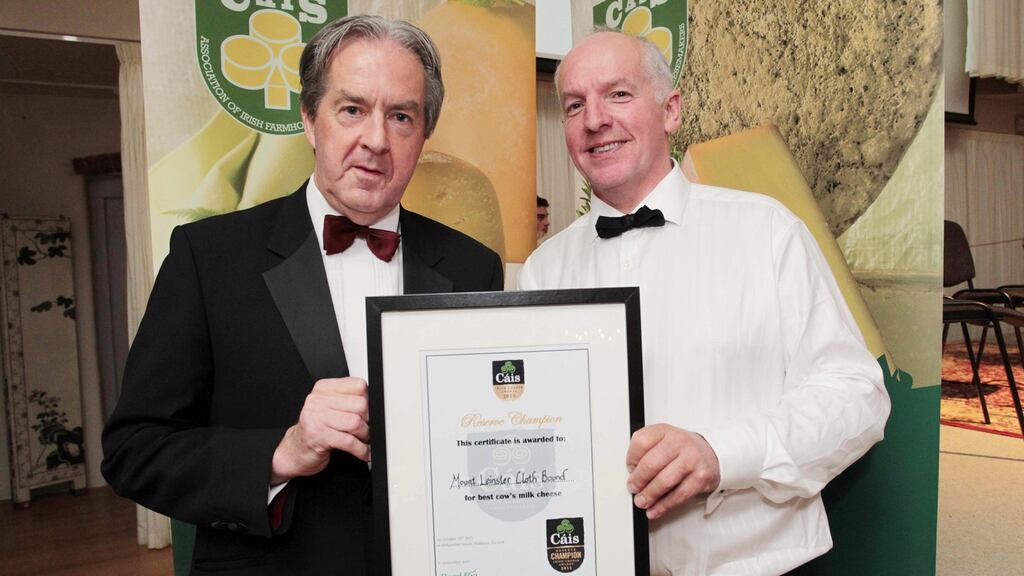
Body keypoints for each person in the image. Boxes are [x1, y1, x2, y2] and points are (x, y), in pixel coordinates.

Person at [102, 15, 502, 574]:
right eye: (352, 109)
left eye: (402, 116)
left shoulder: (472, 266)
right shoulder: (210, 257)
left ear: (424, 133)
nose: (376, 139)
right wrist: (282, 452)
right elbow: (134, 451)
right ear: (310, 119)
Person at [519, 31, 889, 576]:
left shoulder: (767, 231)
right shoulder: (542, 270)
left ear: (670, 111)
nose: (595, 119)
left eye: (618, 94)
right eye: (575, 105)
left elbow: (856, 397)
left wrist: (721, 452)